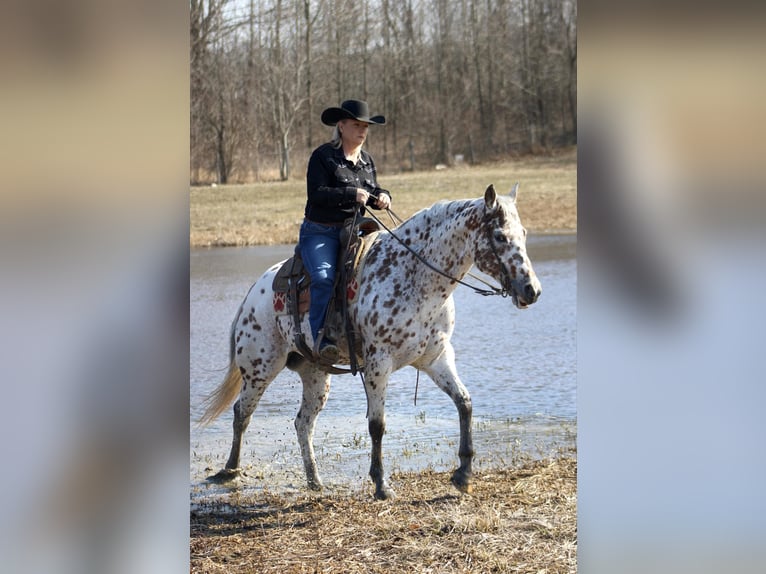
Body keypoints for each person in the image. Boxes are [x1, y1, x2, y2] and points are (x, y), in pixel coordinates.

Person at [299, 99, 392, 364]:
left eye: (365, 126)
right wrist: (351, 193)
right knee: (324, 277)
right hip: (321, 232)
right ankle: (319, 338)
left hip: (356, 232)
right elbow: (316, 195)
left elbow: (373, 191)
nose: (362, 131)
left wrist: (384, 197)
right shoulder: (323, 156)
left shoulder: (366, 161)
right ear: (341, 126)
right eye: (356, 125)